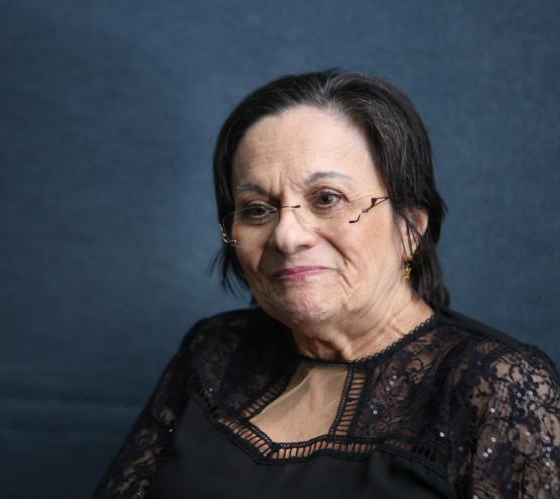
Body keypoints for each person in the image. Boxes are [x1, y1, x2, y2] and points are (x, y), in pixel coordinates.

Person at [93, 70, 559, 498]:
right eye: (257, 209)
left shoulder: (496, 386)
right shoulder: (213, 354)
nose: (287, 236)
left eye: (327, 199)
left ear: (410, 226)